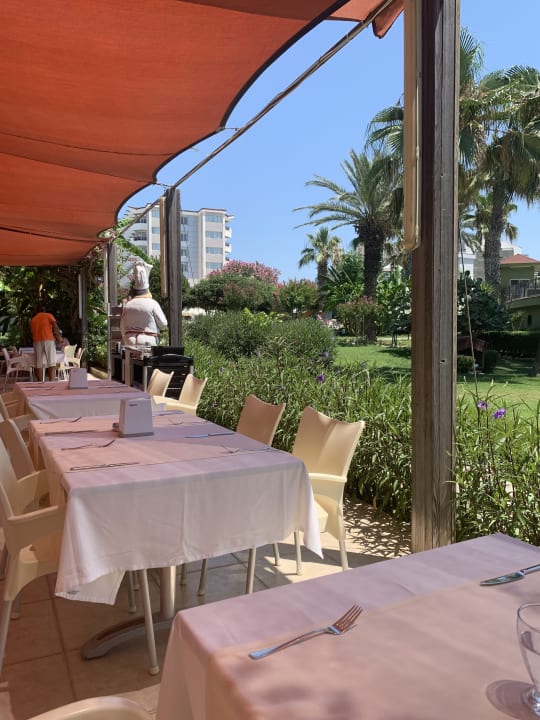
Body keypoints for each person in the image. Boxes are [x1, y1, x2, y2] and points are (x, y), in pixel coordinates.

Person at [120, 259, 168, 347]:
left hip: (129, 340)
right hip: (148, 339)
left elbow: (122, 326)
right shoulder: (153, 304)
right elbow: (163, 324)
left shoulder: (128, 305)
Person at [30, 305, 66, 381]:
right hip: (48, 340)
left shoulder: (33, 319)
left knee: (38, 363)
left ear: (37, 312)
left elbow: (32, 332)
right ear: (44, 310)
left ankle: (40, 382)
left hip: (37, 342)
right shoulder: (48, 315)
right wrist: (59, 338)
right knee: (51, 362)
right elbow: (55, 326)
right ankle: (51, 382)